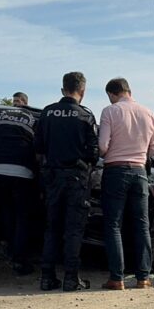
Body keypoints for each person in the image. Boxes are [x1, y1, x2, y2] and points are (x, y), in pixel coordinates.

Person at [34, 72, 99, 292]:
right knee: (73, 229)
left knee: (52, 227)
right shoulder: (85, 116)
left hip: (52, 177)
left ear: (63, 89)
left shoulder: (47, 112)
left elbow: (38, 147)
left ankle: (47, 278)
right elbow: (94, 152)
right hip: (76, 178)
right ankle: (71, 279)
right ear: (82, 90)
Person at [98, 77, 154, 291]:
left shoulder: (110, 111)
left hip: (115, 170)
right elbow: (153, 150)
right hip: (140, 172)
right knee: (142, 224)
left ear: (112, 94)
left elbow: (103, 146)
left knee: (113, 224)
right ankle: (143, 277)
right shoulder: (149, 113)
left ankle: (117, 277)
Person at [0, 107, 38, 276]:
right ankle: (19, 259)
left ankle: (8, 250)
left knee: (6, 210)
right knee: (22, 216)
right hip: (21, 170)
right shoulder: (33, 119)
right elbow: (38, 146)